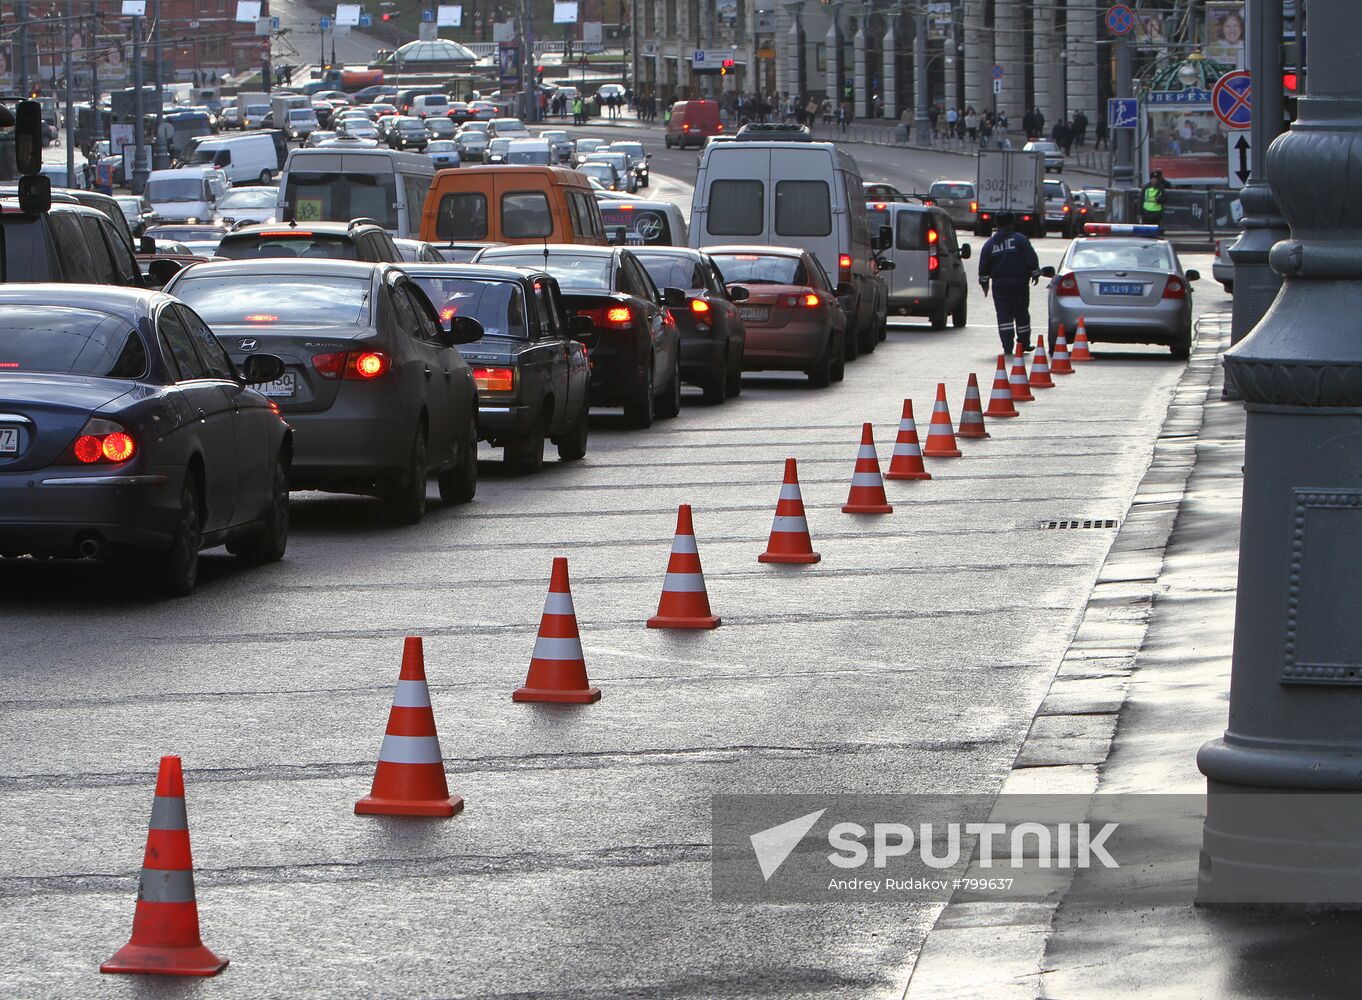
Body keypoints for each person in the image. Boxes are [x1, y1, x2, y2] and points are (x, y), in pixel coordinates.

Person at [978, 213, 1041, 355]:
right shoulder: (1020, 240)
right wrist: (1035, 273)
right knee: (1021, 313)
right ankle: (1024, 343)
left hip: (999, 284)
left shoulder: (989, 245)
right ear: (1012, 223)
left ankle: (1007, 346)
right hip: (1019, 282)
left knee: (1003, 315)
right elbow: (1030, 259)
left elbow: (984, 266)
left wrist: (984, 283)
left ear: (996, 224)